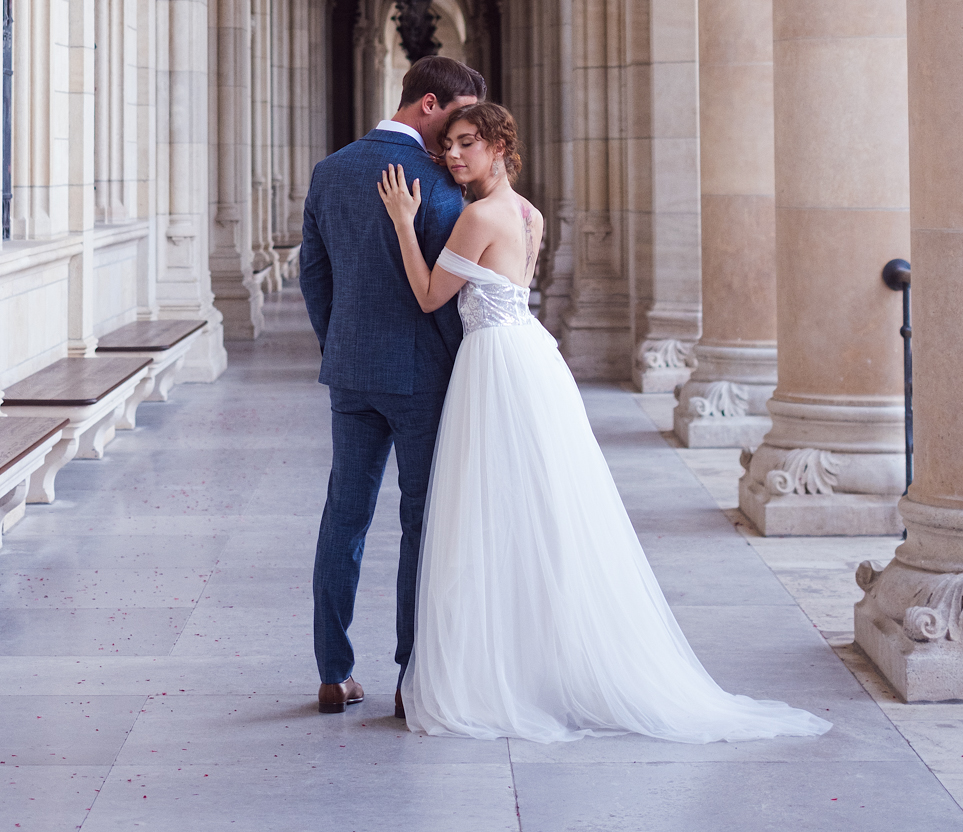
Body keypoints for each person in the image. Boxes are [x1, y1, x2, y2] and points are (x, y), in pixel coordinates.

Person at [378, 102, 832, 745]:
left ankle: (507, 670)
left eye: (467, 143)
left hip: (497, 366)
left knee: (493, 510)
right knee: (545, 509)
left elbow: (429, 297)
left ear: (499, 147)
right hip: (531, 358)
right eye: (449, 145)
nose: (453, 156)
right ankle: (542, 660)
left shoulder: (480, 216)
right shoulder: (529, 214)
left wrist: (403, 222)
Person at [299, 54, 486, 716]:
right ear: (429, 105)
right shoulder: (438, 188)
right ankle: (411, 679)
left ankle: (332, 670)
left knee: (343, 516)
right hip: (420, 380)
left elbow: (312, 276)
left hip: (350, 373)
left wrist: (339, 343)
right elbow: (450, 299)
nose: (459, 140)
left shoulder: (330, 171)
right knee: (420, 521)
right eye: (457, 119)